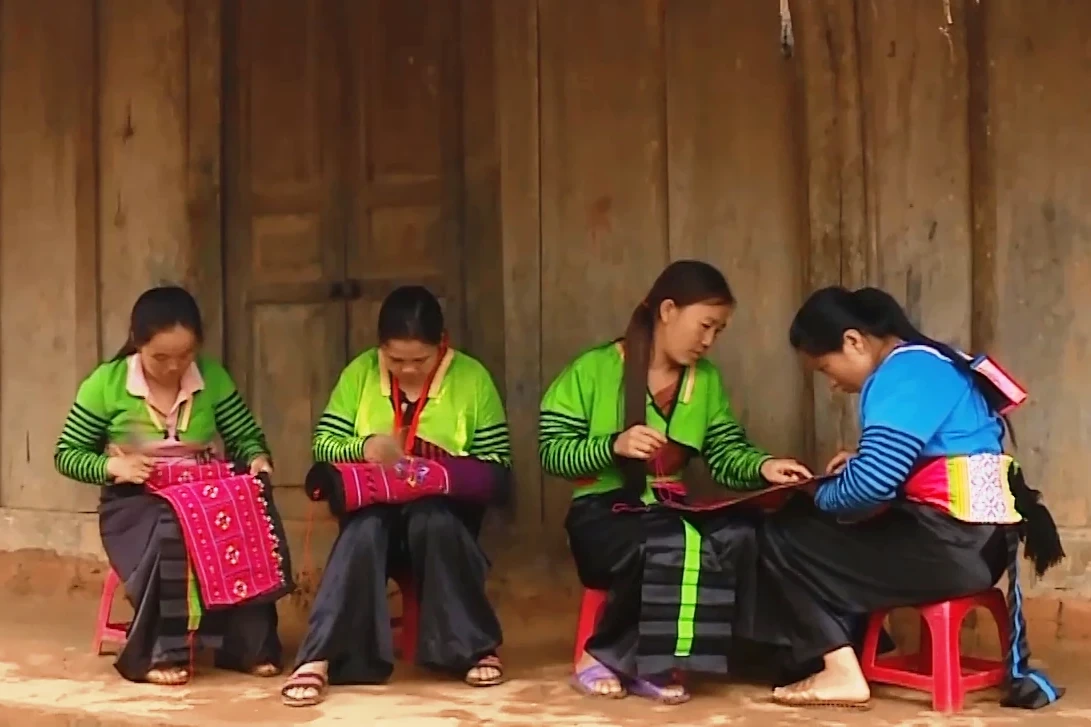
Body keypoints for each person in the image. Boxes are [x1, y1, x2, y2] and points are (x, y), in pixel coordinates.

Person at [761, 286, 1065, 710]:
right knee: (819, 530)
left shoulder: (903, 373)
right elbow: (929, 462)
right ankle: (848, 651)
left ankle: (839, 670)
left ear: (853, 341)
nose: (832, 384)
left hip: (949, 549)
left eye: (826, 368)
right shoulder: (935, 363)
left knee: (782, 534)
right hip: (984, 548)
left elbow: (871, 486)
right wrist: (860, 463)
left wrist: (817, 492)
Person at [539, 260, 813, 705]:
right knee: (671, 539)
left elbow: (725, 452)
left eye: (718, 331)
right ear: (667, 311)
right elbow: (552, 452)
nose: (709, 340)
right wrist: (612, 446)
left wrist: (763, 467)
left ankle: (754, 657)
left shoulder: (705, 381)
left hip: (672, 509)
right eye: (704, 325)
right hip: (602, 515)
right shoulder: (593, 370)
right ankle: (609, 658)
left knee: (744, 533)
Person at [281, 285, 511, 707]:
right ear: (380, 348)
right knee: (364, 530)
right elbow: (324, 445)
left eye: (419, 360)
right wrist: (364, 447)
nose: (406, 370)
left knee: (433, 520)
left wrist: (439, 471)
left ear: (442, 344)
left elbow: (498, 469)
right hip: (376, 506)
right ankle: (321, 656)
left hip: (444, 512)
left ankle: (473, 648)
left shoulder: (472, 379)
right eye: (395, 359)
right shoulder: (360, 373)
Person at [54, 286, 292, 685]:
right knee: (172, 527)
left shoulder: (211, 377)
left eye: (185, 355)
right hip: (136, 501)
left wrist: (256, 459)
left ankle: (248, 646)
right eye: (160, 357)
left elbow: (245, 437)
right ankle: (158, 652)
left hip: (203, 491)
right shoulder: (106, 384)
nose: (174, 366)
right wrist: (114, 466)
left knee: (248, 512)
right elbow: (67, 454)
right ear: (137, 343)